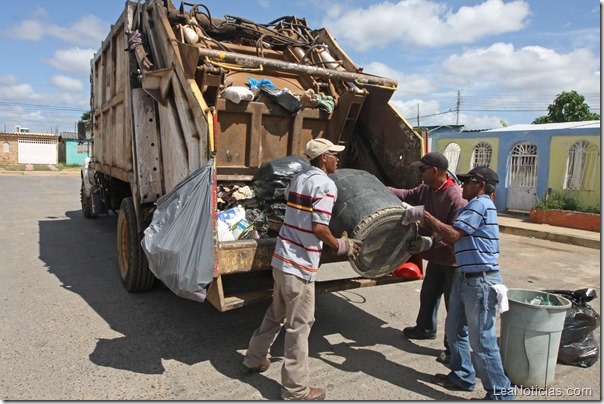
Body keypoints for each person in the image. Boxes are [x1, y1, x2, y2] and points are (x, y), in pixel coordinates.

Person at [241, 138, 362, 401]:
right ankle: (296, 390)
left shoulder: (298, 178)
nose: (337, 159)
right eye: (333, 154)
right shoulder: (326, 185)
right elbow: (319, 227)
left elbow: (288, 200)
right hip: (300, 266)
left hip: (282, 260)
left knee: (276, 313)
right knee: (299, 327)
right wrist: (342, 246)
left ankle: (254, 358)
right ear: (322, 159)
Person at [404, 166, 514, 400]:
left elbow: (453, 235)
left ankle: (501, 394)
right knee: (454, 330)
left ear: (481, 186)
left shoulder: (480, 204)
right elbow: (456, 242)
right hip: (467, 279)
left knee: (482, 342)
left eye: (468, 182)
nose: (462, 185)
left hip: (481, 281)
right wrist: (430, 239)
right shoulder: (472, 207)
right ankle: (462, 375)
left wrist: (426, 217)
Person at [387, 151, 466, 365]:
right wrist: (378, 187)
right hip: (436, 259)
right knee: (429, 295)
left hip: (453, 261)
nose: (419, 173)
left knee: (454, 307)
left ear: (435, 171)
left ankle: (452, 350)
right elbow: (405, 196)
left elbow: (456, 233)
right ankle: (425, 328)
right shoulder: (425, 189)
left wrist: (430, 242)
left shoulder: (455, 196)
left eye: (422, 169)